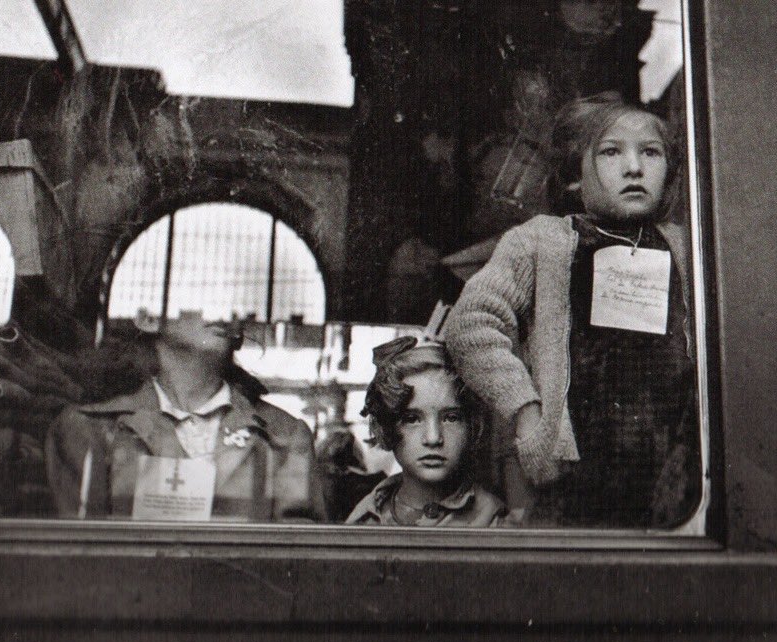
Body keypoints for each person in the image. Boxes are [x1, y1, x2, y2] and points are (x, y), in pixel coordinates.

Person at [443, 92, 700, 527]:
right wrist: (527, 415)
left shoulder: (687, 248)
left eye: (651, 153)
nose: (633, 167)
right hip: (570, 483)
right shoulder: (543, 242)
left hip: (673, 480)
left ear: (670, 172)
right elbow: (471, 325)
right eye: (611, 151)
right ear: (575, 176)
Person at [45, 309, 325, 521]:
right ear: (147, 316)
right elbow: (81, 567)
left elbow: (298, 570)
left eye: (235, 294)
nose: (224, 307)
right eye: (201, 286)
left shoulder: (285, 438)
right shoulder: (90, 430)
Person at [346, 336, 508, 527]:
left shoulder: (494, 520)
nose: (433, 438)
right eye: (412, 419)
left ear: (472, 426)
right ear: (387, 426)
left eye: (451, 418)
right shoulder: (365, 516)